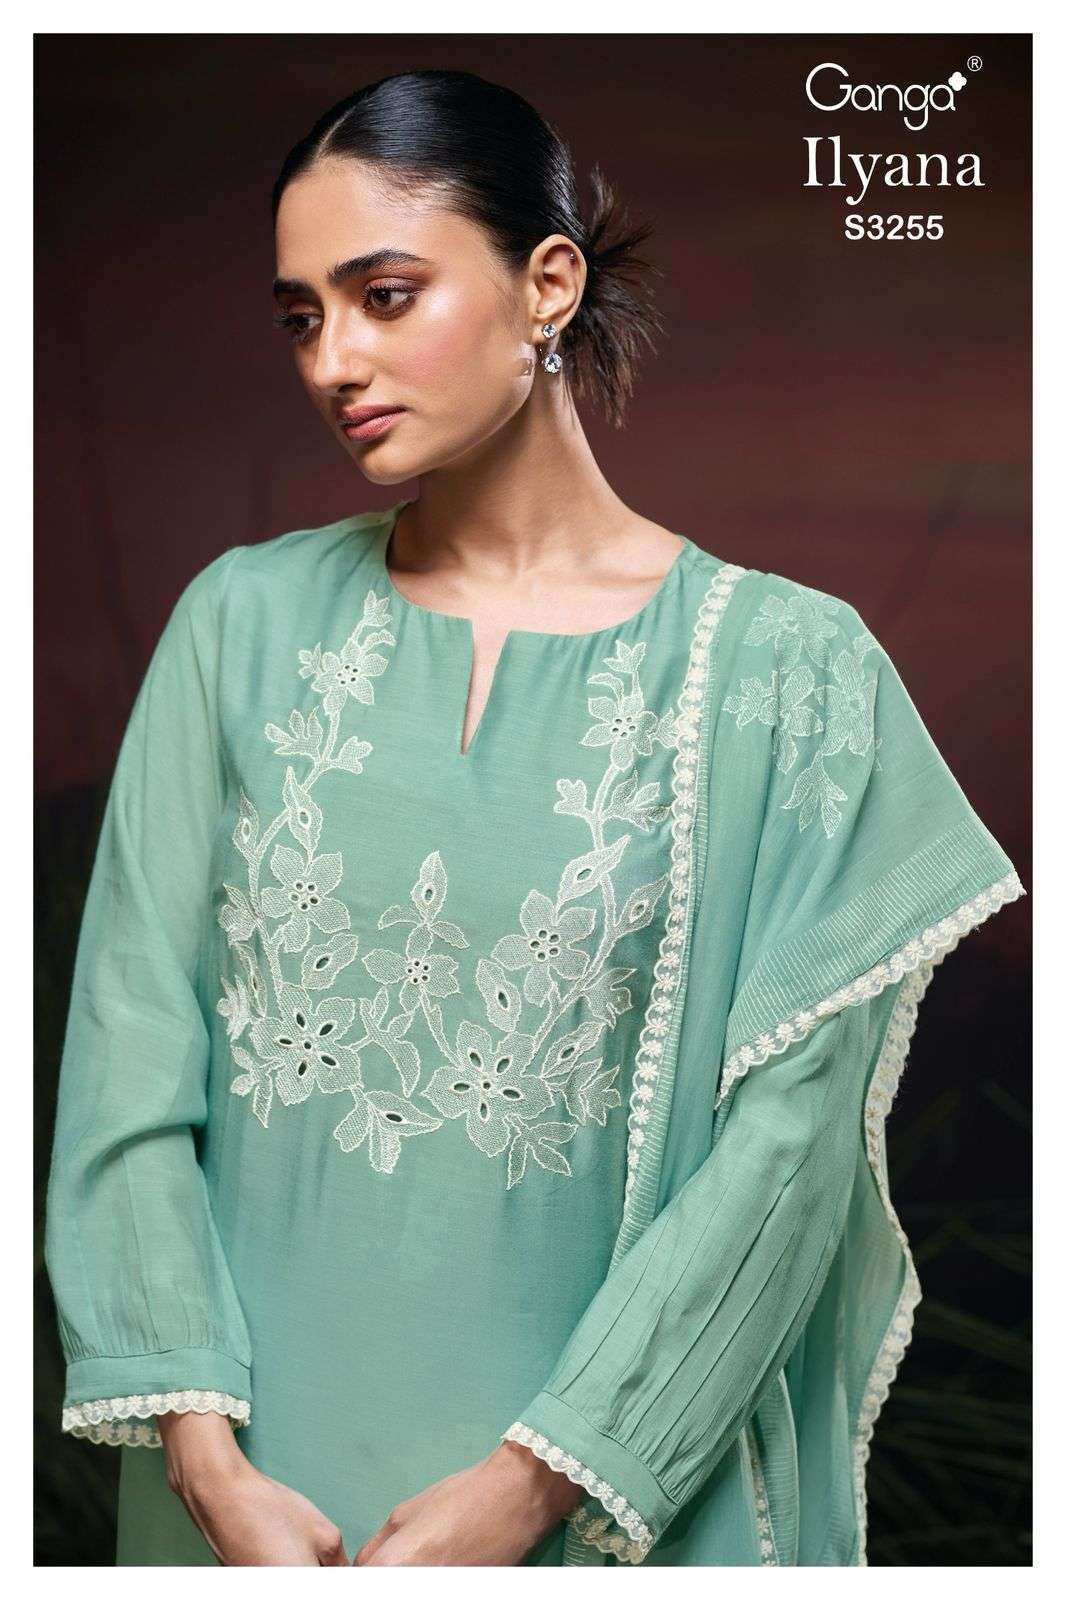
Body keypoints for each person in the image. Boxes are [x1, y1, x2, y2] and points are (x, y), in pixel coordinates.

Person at [43, 68, 1026, 1567]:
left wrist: (528, 1490)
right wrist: (203, 1459)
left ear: (547, 284)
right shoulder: (239, 626)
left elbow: (787, 1158)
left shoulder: (783, 672)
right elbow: (128, 1056)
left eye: (384, 295)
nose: (334, 360)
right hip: (246, 1502)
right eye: (301, 317)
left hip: (601, 1501)